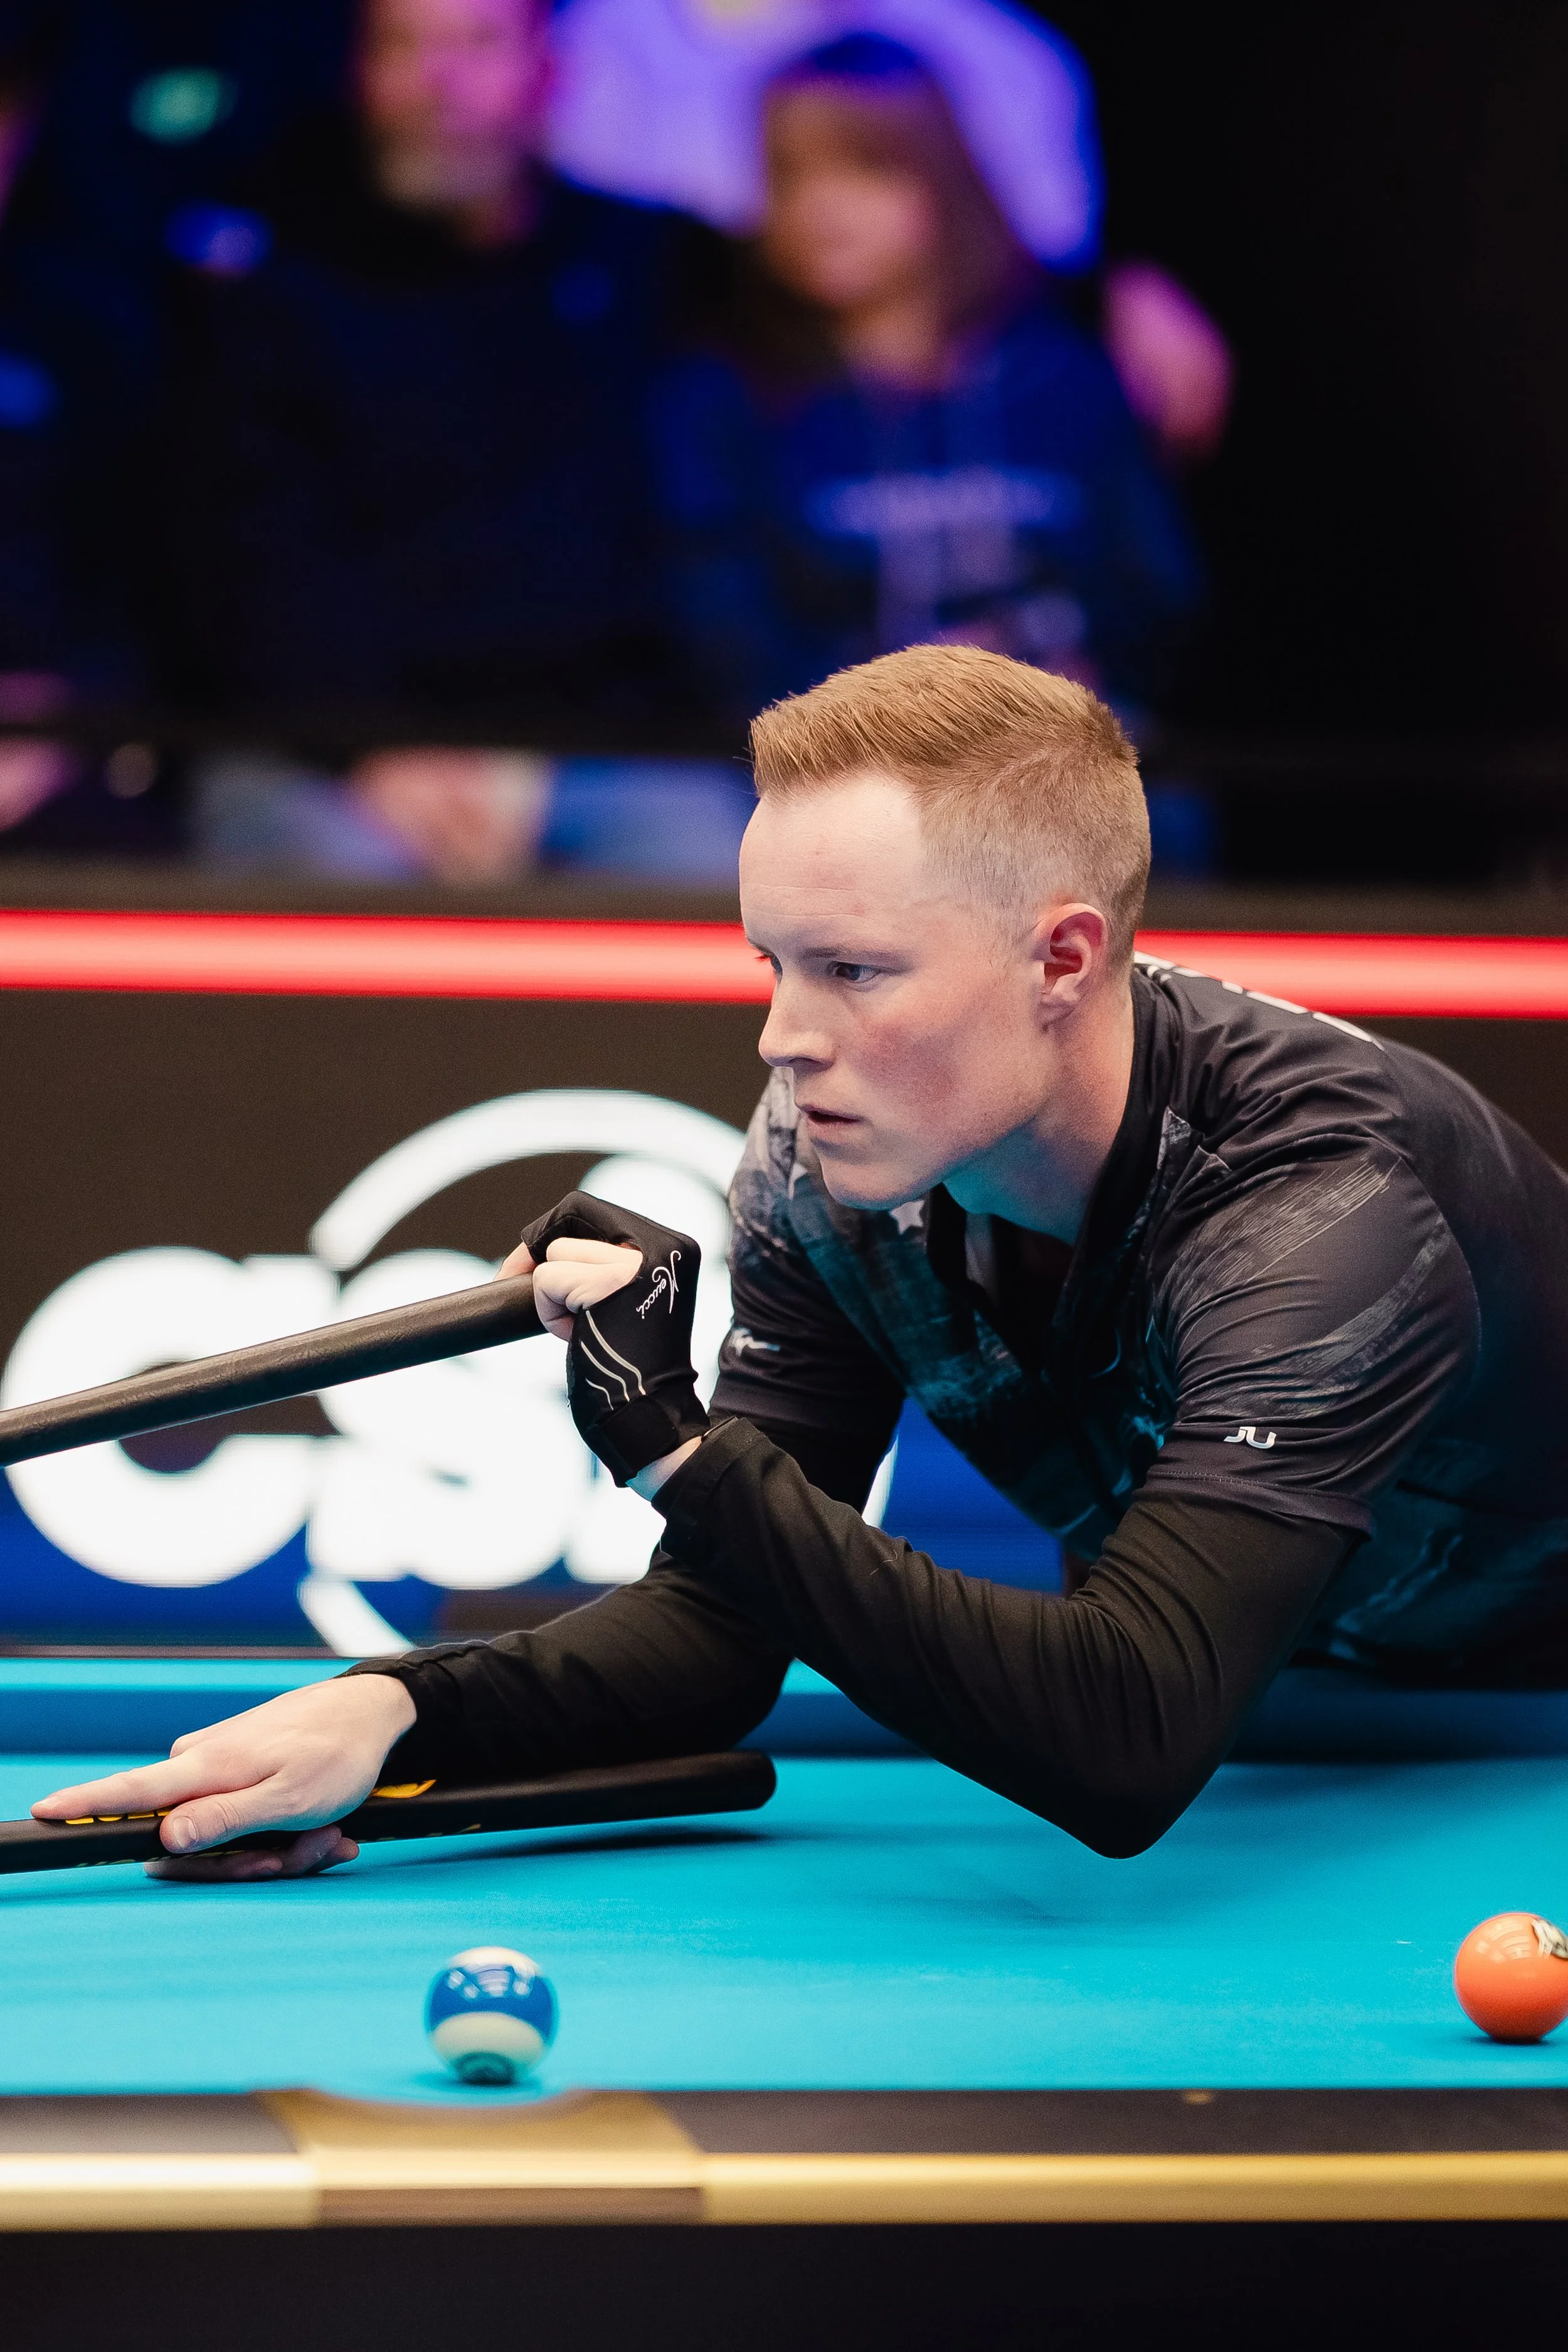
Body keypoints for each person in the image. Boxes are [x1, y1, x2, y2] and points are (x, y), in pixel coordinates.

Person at [34, 643, 1568, 1877]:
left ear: (1062, 956)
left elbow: (1123, 1738)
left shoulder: (1318, 1205)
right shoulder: (827, 1170)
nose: (785, 1034)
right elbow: (722, 1627)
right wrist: (396, 1710)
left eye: (855, 970)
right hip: (1300, 1697)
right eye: (774, 960)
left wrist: (678, 1452)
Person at [169, 0, 709, 741]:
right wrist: (370, 746)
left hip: (607, 741)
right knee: (321, 856)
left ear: (550, 72)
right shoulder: (271, 286)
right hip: (334, 740)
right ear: (360, 74)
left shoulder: (656, 261)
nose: (439, 79)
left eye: (479, 44)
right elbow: (251, 567)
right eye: (405, 45)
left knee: (722, 845)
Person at [657, 34, 1204, 728]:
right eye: (791, 175)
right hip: (841, 758)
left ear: (939, 176)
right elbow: (725, 631)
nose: (821, 208)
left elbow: (1159, 597)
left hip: (1062, 746)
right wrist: (901, 695)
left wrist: (1060, 680)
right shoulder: (729, 398)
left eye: (862, 169)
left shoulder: (1063, 382)